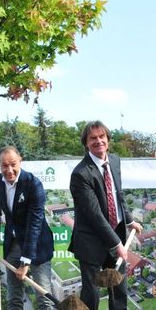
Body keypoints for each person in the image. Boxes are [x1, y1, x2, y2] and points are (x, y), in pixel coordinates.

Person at [69, 120, 142, 310]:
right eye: (93, 138)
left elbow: (117, 195)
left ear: (108, 139)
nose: (98, 141)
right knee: (91, 294)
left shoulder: (115, 161)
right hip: (91, 242)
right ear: (86, 143)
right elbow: (94, 214)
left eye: (102, 136)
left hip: (116, 232)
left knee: (119, 290)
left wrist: (129, 220)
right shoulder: (81, 173)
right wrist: (117, 244)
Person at [0, 146, 54, 310]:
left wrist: (26, 260)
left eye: (13, 164)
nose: (9, 170)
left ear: (20, 161)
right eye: (4, 165)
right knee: (14, 299)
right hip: (13, 245)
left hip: (37, 247)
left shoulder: (33, 184)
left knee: (44, 298)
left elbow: (34, 223)